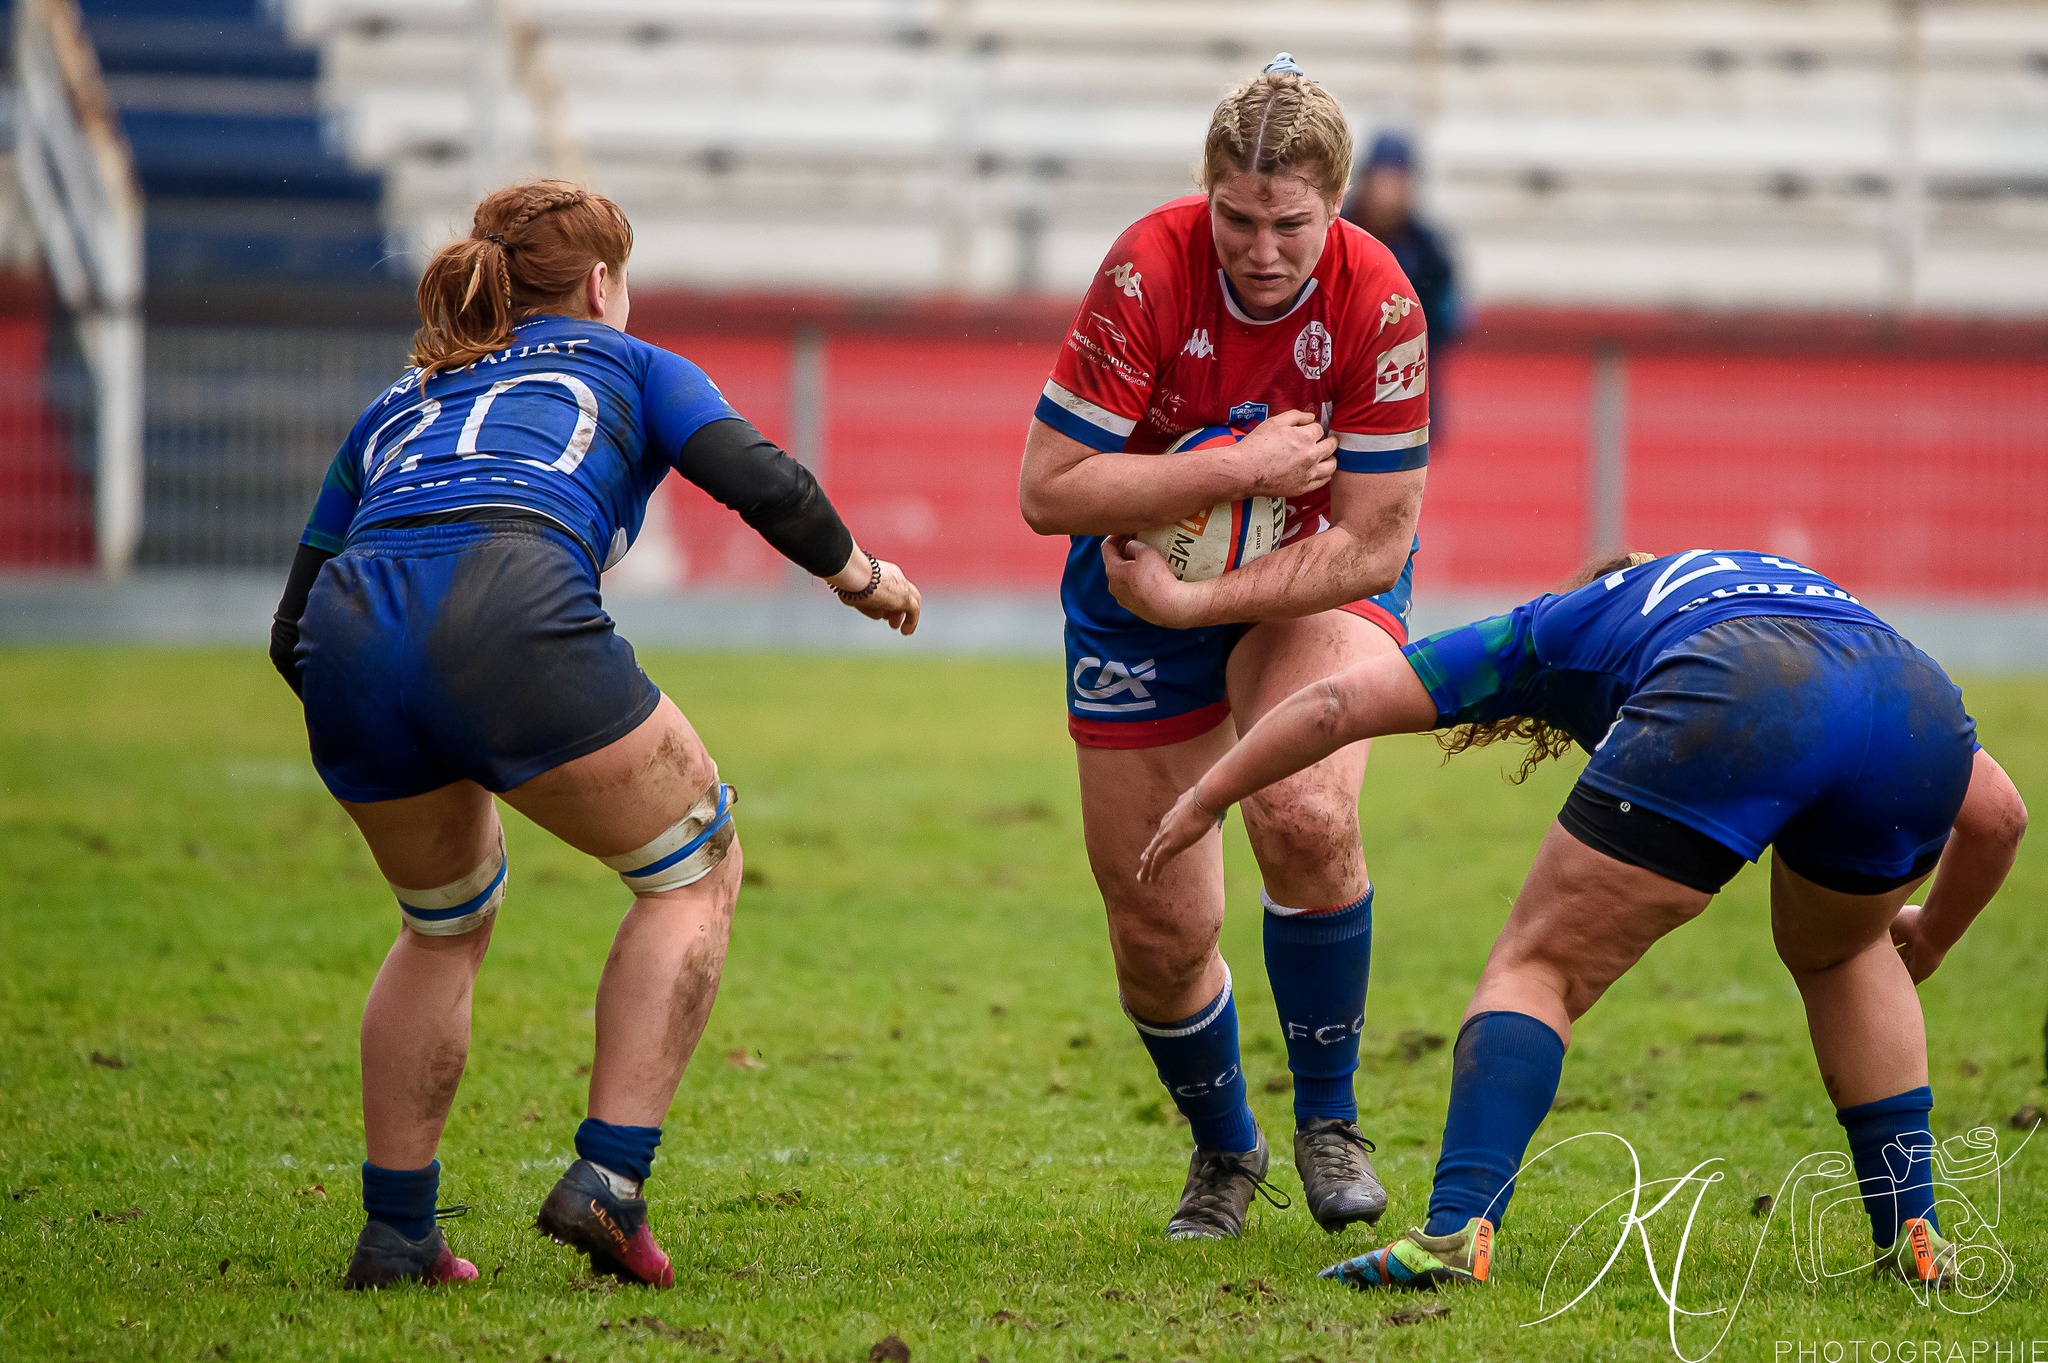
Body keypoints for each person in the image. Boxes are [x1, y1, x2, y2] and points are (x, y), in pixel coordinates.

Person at [267, 180, 922, 1289]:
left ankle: (395, 1234)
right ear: (602, 282)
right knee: (693, 868)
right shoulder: (629, 360)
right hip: (512, 602)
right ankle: (607, 1181)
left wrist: (405, 712)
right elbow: (761, 478)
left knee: (440, 924)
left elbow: (292, 626)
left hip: (351, 630)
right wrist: (861, 577)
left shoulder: (400, 396)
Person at [1140, 548, 2027, 1289]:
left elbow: (1338, 704)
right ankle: (1917, 1239)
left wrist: (1208, 795)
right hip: (1913, 700)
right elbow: (1999, 816)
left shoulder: (1559, 625)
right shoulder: (1763, 579)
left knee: (1540, 969)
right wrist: (1937, 933)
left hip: (1735, 687)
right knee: (1842, 955)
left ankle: (1455, 1234)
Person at [1017, 55, 1433, 1240]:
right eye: (1236, 218)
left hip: (1305, 579)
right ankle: (1225, 1151)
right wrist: (1234, 470)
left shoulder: (1379, 296)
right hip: (1127, 581)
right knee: (1155, 918)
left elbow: (1374, 538)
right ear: (1205, 191)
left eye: (1288, 225)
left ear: (1335, 204)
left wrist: (1200, 607)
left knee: (1301, 812)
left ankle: (1331, 1120)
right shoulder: (1145, 270)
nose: (1260, 248)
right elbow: (1048, 491)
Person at [1341, 133, 1460, 434]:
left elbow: (1452, 315)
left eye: (1397, 182)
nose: (1388, 194)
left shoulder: (1429, 247)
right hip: (1338, 372)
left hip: (1405, 374)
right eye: (1383, 180)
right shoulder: (1335, 230)